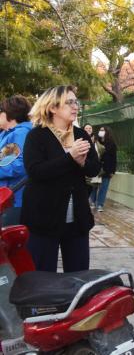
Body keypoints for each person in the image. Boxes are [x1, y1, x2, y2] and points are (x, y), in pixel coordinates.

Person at [22, 86, 99, 272]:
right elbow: (35, 171)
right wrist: (69, 157)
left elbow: (94, 168)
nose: (75, 107)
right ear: (52, 108)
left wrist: (82, 163)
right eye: (69, 102)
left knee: (78, 275)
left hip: (77, 218)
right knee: (42, 276)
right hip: (44, 218)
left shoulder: (81, 134)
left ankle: (72, 303)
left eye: (76, 102)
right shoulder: (37, 135)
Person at [0, 96, 33, 226]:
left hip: (13, 199)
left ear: (9, 113)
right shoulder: (7, 133)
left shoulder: (20, 133)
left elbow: (19, 165)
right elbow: (4, 160)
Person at [92, 127, 117, 212]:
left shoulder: (111, 144)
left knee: (104, 187)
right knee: (94, 186)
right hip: (96, 168)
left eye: (103, 130)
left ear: (107, 132)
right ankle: (92, 202)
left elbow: (114, 158)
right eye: (100, 130)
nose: (101, 132)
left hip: (107, 168)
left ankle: (100, 204)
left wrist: (113, 171)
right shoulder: (96, 142)